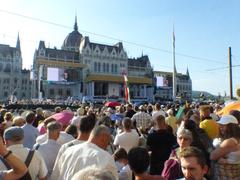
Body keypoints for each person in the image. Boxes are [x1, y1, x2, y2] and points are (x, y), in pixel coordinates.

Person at [50, 125, 118, 180]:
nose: (107, 146)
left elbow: (55, 175)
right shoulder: (105, 157)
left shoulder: (69, 150)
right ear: (103, 138)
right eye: (108, 142)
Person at [210, 115, 240, 179]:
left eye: (223, 125)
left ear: (231, 127)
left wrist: (217, 157)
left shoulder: (230, 141)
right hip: (234, 175)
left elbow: (212, 156)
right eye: (220, 125)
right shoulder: (237, 139)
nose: (220, 127)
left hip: (226, 175)